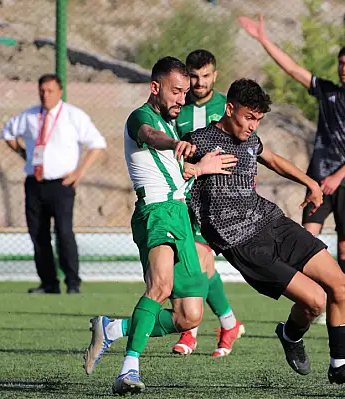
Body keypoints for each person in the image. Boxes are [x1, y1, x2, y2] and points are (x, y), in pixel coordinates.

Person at [184, 78, 345, 388]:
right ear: (230, 109)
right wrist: (197, 168)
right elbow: (168, 171)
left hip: (272, 221)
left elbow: (272, 160)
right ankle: (291, 334)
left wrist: (309, 183)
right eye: (249, 117)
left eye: (259, 119)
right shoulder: (198, 141)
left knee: (341, 285)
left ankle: (340, 364)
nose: (253, 125)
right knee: (315, 301)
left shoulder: (251, 141)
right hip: (241, 242)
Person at [83, 56, 238, 395]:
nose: (182, 99)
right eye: (176, 91)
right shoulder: (143, 118)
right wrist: (175, 144)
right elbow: (149, 136)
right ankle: (128, 370)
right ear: (155, 88)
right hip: (156, 213)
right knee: (161, 286)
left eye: (185, 93)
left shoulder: (171, 123)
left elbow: (176, 175)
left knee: (190, 316)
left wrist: (201, 167)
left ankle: (113, 329)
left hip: (179, 213)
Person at [239, 15, 345, 324]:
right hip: (319, 180)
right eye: (342, 63)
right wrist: (264, 39)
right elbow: (292, 69)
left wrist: (339, 176)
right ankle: (312, 296)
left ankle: (339, 298)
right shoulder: (328, 91)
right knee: (308, 237)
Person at [1, 74, 106, 295]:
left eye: (50, 91)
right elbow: (8, 133)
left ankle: (73, 282)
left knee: (64, 232)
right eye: (42, 91)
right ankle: (48, 283)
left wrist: (79, 172)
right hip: (35, 182)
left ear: (60, 92)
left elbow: (97, 144)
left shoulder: (73, 116)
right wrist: (24, 153)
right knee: (38, 234)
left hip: (62, 184)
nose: (45, 95)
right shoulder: (29, 116)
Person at [171, 49, 245, 357]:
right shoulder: (178, 109)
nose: (200, 82)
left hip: (218, 198)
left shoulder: (227, 107)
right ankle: (229, 322)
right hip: (185, 194)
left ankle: (190, 332)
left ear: (215, 75)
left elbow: (246, 142)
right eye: (194, 76)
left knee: (199, 259)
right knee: (196, 263)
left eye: (206, 76)